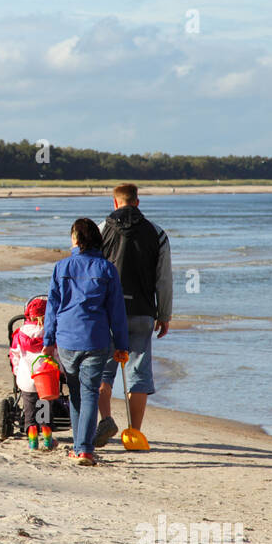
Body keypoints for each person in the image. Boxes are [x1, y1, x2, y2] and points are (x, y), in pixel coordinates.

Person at [42, 218, 129, 465]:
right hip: (96, 338)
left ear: (76, 240)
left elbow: (52, 307)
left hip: (67, 338)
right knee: (89, 392)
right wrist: (122, 345)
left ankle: (81, 446)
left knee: (76, 393)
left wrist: (48, 341)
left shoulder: (62, 267)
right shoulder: (107, 269)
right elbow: (117, 312)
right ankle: (84, 449)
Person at [95, 183, 172, 448]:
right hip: (142, 311)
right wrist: (164, 313)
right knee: (139, 373)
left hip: (107, 312)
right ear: (137, 202)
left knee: (103, 372)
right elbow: (164, 279)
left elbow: (90, 271)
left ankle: (106, 419)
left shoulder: (101, 230)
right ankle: (134, 434)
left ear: (114, 203)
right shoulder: (157, 233)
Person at [8, 298, 54, 450]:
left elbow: (14, 354)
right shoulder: (50, 334)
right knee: (44, 407)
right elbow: (57, 355)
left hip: (26, 378)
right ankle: (47, 436)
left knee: (29, 409)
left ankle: (32, 438)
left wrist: (16, 370)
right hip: (46, 379)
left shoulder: (19, 334)